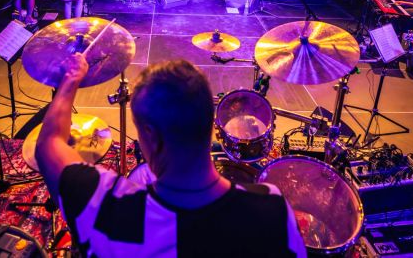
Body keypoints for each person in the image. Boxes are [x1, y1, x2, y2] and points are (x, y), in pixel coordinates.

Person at [35, 57, 306, 257]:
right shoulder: (273, 210)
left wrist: (72, 77)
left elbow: (49, 143)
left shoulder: (101, 206)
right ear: (212, 124)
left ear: (150, 136)